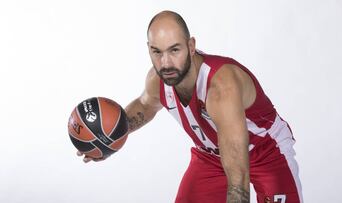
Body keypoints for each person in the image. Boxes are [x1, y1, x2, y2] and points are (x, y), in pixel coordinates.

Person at [77, 10, 303, 203]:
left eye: (174, 50)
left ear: (191, 46)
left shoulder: (221, 88)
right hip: (211, 157)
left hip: (266, 153)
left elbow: (238, 176)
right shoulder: (159, 80)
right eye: (157, 52)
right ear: (149, 49)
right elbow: (145, 106)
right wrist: (106, 138)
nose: (165, 63)